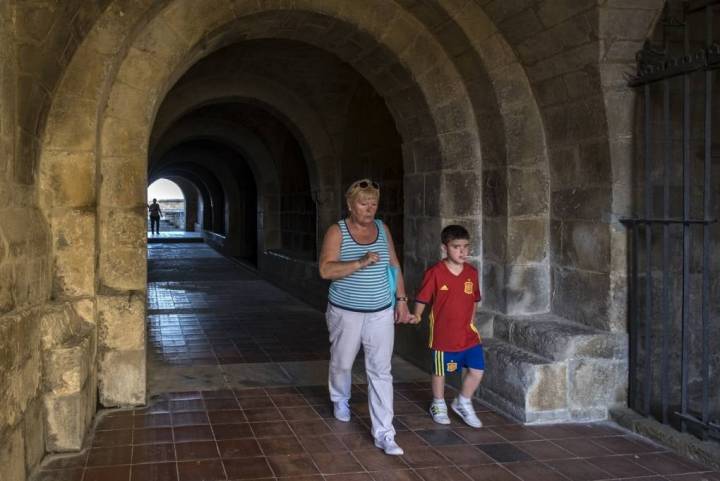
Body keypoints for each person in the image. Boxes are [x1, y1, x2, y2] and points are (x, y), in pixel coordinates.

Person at [319, 179, 414, 456]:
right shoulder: (337, 231)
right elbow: (325, 270)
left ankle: (385, 433)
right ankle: (340, 398)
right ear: (350, 204)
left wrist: (402, 300)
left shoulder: (383, 229)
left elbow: (393, 264)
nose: (369, 208)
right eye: (363, 203)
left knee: (381, 371)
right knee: (343, 363)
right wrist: (360, 261)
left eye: (373, 203)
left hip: (380, 311)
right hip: (345, 311)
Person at [412, 224, 484, 428]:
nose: (462, 251)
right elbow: (422, 297)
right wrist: (417, 315)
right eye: (456, 246)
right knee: (440, 372)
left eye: (466, 246)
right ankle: (438, 403)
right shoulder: (435, 272)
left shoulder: (471, 272)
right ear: (445, 248)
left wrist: (471, 320)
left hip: (468, 334)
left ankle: (463, 401)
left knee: (477, 370)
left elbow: (475, 299)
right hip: (443, 335)